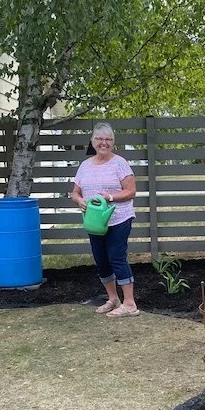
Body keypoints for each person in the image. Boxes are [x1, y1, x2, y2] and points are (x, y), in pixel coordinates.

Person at [71, 122, 139, 317]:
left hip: (119, 219)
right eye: (100, 139)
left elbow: (131, 191)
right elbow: (74, 193)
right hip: (95, 222)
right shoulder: (85, 166)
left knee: (116, 258)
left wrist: (110, 197)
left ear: (113, 143)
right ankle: (113, 299)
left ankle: (130, 304)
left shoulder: (120, 163)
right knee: (101, 261)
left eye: (108, 139)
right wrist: (80, 201)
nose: (104, 143)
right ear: (92, 142)